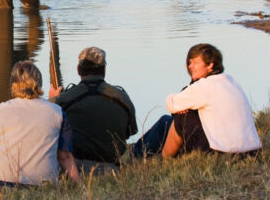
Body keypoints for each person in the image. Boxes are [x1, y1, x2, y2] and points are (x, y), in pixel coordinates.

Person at [0, 60, 79, 190]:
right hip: (43, 185)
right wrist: (78, 185)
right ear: (39, 82)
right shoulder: (57, 111)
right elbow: (64, 156)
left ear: (13, 85)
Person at [133, 43, 261, 158]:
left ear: (210, 65)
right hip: (252, 151)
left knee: (176, 119)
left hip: (224, 152)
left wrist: (184, 99)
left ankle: (148, 156)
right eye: (189, 62)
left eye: (195, 62)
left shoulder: (204, 87)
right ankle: (145, 153)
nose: (190, 66)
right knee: (182, 114)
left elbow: (171, 104)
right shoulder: (231, 81)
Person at [49, 47, 137, 167]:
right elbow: (130, 132)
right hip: (112, 166)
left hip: (75, 167)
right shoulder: (122, 98)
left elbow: (47, 129)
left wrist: (51, 100)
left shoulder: (63, 100)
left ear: (78, 70)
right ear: (104, 70)